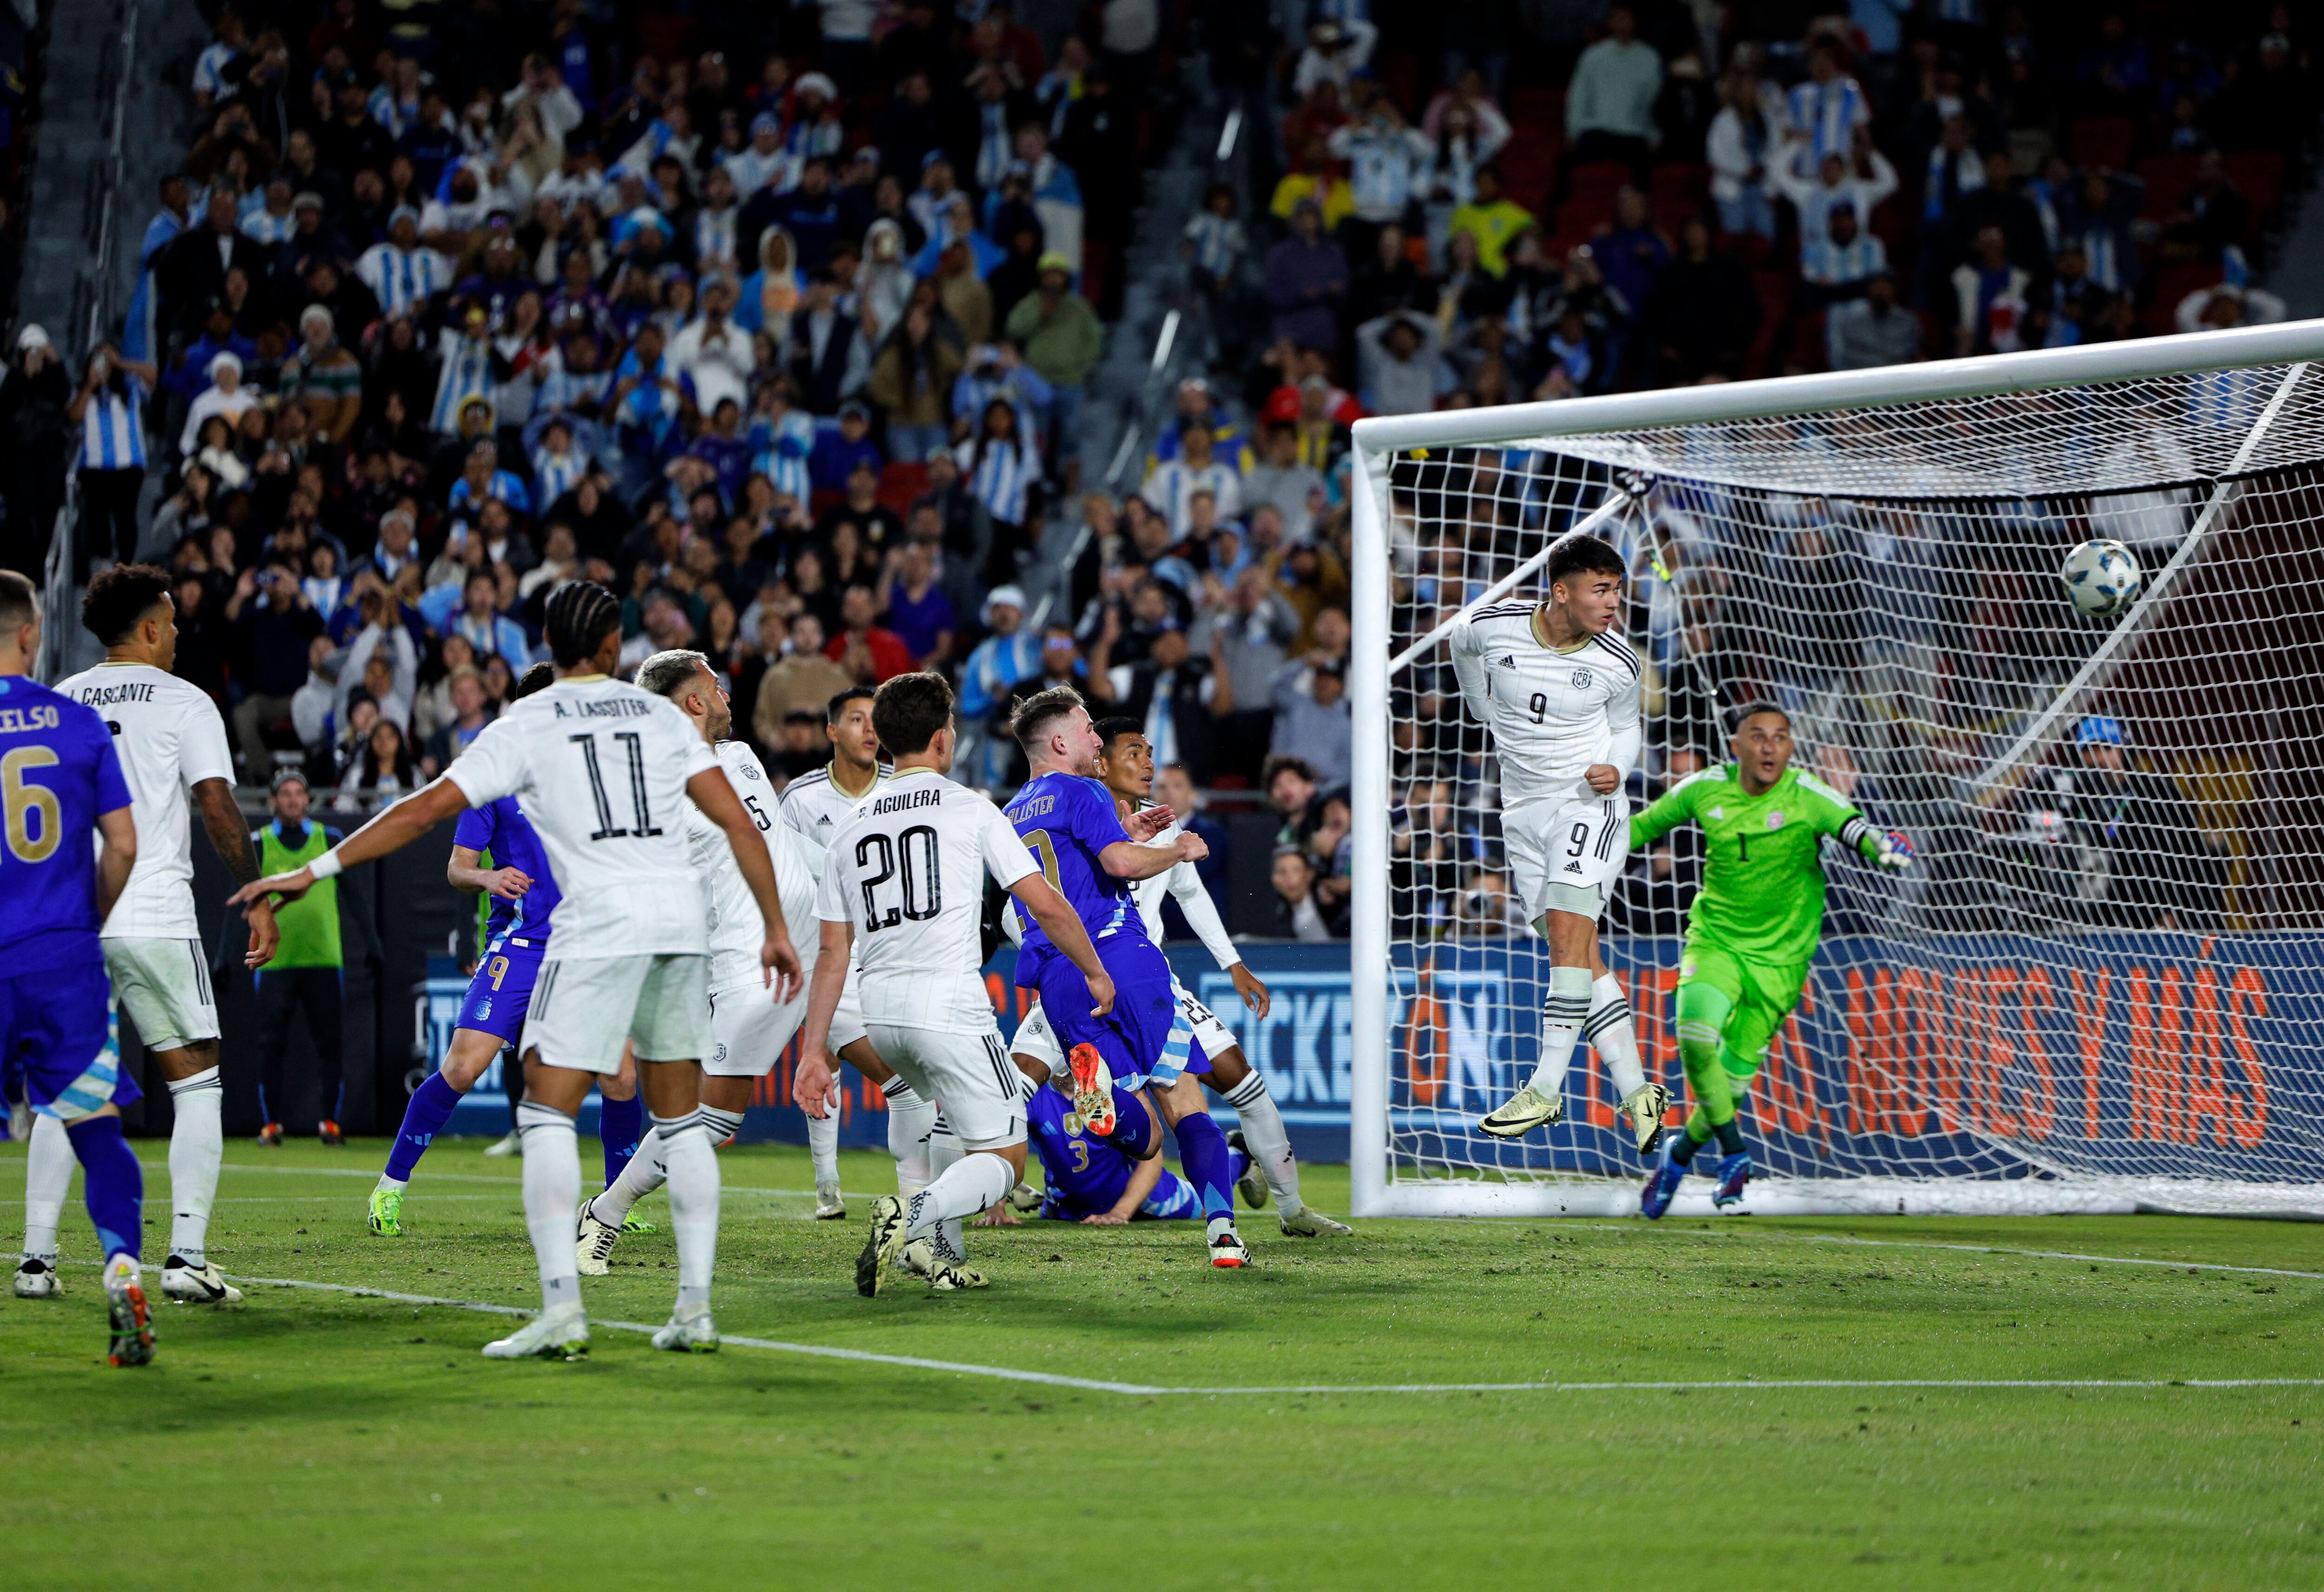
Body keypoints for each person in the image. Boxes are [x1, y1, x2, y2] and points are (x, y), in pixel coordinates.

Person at [232, 581, 805, 1360]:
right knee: (681, 1122)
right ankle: (694, 1310)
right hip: (678, 925)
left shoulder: (529, 721)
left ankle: (563, 1310)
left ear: (551, 645)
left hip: (597, 925)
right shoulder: (657, 717)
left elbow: (422, 810)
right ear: (613, 648)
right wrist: (776, 926)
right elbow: (736, 820)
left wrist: (315, 869)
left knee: (545, 1112)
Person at [799, 672, 1116, 1294]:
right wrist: (1094, 970)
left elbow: (833, 951)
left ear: (885, 739)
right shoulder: (969, 807)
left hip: (879, 1014)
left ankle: (944, 1257)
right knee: (1004, 1159)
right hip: (948, 1005)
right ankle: (912, 1218)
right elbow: (1045, 904)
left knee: (944, 1113)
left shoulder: (848, 827)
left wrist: (814, 1050)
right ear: (944, 738)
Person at [24, 567, 279, 1306]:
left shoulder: (61, 699)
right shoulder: (184, 700)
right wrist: (257, 893)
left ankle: (35, 1261)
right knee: (197, 1080)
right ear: (146, 629)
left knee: (66, 1088)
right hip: (155, 911)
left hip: (73, 920)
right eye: (169, 623)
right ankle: (186, 1257)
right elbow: (217, 806)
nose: (175, 636)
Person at [1007, 719, 1352, 1237]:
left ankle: (1292, 1208)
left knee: (1240, 1082)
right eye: (1134, 752)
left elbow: (1189, 893)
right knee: (1018, 1087)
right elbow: (1023, 908)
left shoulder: (1153, 822)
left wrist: (1232, 963)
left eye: (1149, 752)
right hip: (1092, 974)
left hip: (1136, 981)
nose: (1149, 763)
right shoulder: (1078, 808)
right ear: (1100, 761)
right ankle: (992, 1188)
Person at [365, 662, 649, 1233]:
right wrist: (489, 878)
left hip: (584, 945)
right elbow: (457, 867)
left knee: (621, 1076)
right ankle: (389, 1187)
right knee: (462, 1066)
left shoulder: (594, 773)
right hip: (520, 945)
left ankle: (618, 1203)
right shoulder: (494, 777)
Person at [572, 649, 825, 1268]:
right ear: (693, 700)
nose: (727, 695)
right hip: (752, 965)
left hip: (821, 946)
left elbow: (782, 843)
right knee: (711, 1121)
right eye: (717, 686)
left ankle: (928, 1227)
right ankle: (605, 1210)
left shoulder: (740, 757)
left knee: (899, 1060)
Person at [998, 686, 1251, 1268]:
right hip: (1121, 956)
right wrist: (1176, 849)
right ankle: (1222, 1232)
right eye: (1087, 729)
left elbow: (1074, 870)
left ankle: (1105, 1093)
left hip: (1056, 977)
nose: (1096, 738)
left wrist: (1127, 835)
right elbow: (1117, 864)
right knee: (1184, 1103)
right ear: (1058, 742)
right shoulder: (1083, 788)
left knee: (1146, 1138)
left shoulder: (1010, 812)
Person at [1632, 704, 1910, 1217]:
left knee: (1731, 1083)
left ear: (1790, 747)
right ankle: (1735, 1153)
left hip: (1781, 961)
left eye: (1780, 737)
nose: (1769, 746)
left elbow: (1855, 827)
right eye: (1758, 736)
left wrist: (1885, 848)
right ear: (1735, 745)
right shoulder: (1704, 788)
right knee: (1694, 1037)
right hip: (1716, 942)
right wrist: (1577, 854)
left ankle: (1680, 1155)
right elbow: (1639, 828)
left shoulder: (1807, 794)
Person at [1453, 535, 1668, 1153]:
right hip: (1522, 813)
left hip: (1586, 806)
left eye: (1617, 590)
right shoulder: (1495, 625)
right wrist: (1478, 705)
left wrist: (1617, 769)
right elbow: (1460, 642)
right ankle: (1639, 1092)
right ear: (1561, 591)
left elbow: (1626, 728)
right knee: (1578, 957)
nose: (1613, 603)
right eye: (1600, 590)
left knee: (1569, 941)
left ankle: (1544, 1088)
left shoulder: (1618, 660)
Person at [0, 568, 151, 1363]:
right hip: (64, 960)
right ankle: (122, 1264)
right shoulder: (78, 723)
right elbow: (123, 844)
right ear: (31, 634)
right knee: (95, 1125)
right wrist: (86, 919)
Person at [770, 685, 931, 1219]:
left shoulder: (902, 787)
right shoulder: (800, 798)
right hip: (826, 955)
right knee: (899, 1081)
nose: (869, 729)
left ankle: (833, 1187)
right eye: (857, 718)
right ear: (831, 731)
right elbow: (782, 873)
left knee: (842, 1064)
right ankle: (913, 1204)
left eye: (875, 719)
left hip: (891, 954)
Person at [247, 771, 366, 1145]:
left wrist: (372, 942)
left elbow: (354, 893)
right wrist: (224, 954)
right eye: (285, 793)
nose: (293, 799)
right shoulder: (260, 843)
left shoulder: (328, 839)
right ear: (273, 800)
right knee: (271, 1045)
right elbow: (243, 901)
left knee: (330, 1043)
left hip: (323, 958)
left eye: (299, 792)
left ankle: (330, 1123)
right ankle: (271, 1125)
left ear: (308, 798)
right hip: (274, 961)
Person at [69, 345, 158, 575]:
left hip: (129, 464)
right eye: (98, 360)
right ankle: (103, 565)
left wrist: (122, 364)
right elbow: (73, 417)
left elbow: (153, 376)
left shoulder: (131, 387)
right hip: (94, 466)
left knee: (125, 517)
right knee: (97, 518)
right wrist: (90, 385)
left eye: (107, 360)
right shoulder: (81, 391)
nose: (104, 366)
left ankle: (125, 567)